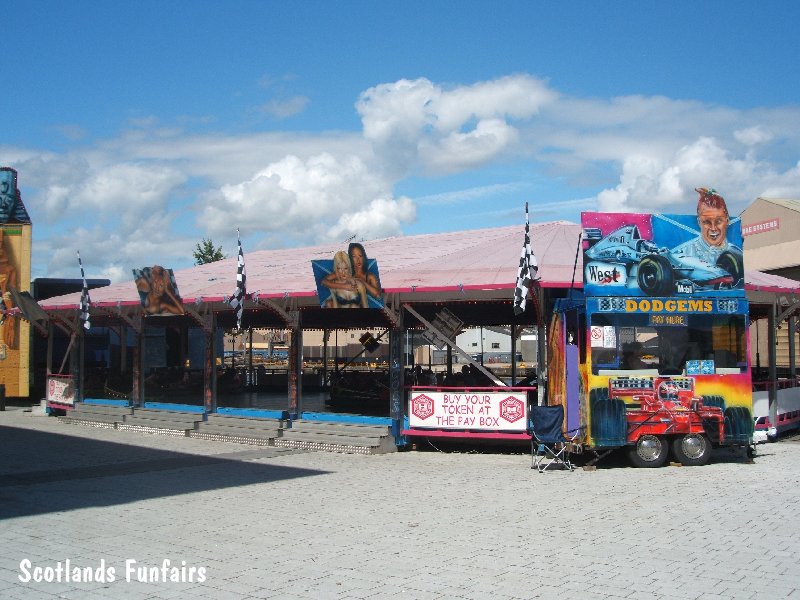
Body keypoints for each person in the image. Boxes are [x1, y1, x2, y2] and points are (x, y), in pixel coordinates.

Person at [672, 187, 741, 266]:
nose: (713, 228)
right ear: (699, 222)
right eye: (707, 222)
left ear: (727, 221)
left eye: (718, 221)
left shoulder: (737, 254)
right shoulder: (681, 255)